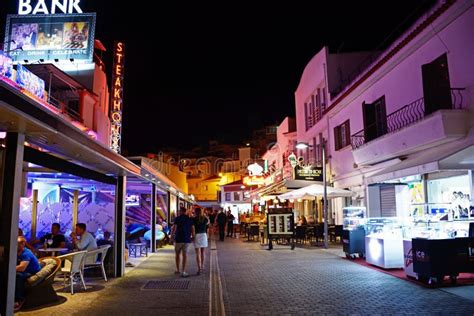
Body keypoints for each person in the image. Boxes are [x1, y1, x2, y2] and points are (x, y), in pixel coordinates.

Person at [15, 236, 41, 312]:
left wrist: (9, 268)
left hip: (32, 271)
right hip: (25, 270)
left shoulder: (26, 253)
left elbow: (21, 268)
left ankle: (20, 299)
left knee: (18, 276)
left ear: (23, 244)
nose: (16, 245)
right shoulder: (17, 251)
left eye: (18, 243)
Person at [171, 207, 195, 277]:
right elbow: (193, 229)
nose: (178, 212)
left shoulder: (177, 218)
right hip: (186, 239)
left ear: (181, 211)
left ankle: (178, 270)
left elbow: (174, 228)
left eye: (179, 211)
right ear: (185, 211)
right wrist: (193, 237)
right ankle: (183, 271)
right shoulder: (190, 219)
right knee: (185, 256)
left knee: (177, 255)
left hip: (178, 239)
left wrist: (172, 237)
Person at [193, 207, 209, 275]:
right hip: (203, 235)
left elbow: (193, 228)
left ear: (195, 212)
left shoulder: (193, 219)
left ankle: (199, 268)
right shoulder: (204, 219)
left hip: (197, 235)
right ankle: (202, 266)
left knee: (198, 253)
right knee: (203, 252)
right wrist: (204, 214)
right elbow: (208, 222)